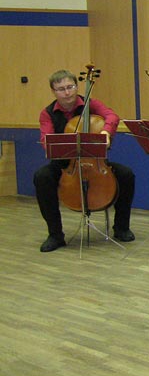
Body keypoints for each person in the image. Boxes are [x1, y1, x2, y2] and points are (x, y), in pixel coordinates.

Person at [33, 69, 136, 252]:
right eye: (61, 89)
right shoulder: (47, 113)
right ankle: (55, 235)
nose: (67, 92)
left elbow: (112, 116)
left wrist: (105, 132)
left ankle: (121, 227)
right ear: (53, 91)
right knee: (42, 177)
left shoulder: (91, 104)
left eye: (70, 87)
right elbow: (45, 140)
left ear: (76, 86)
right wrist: (54, 145)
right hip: (65, 164)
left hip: (95, 162)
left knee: (126, 174)